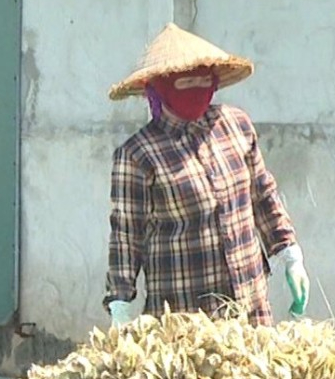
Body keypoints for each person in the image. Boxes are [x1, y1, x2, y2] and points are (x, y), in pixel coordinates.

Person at [103, 23, 310, 328]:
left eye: (203, 77)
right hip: (185, 318)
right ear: (158, 86)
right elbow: (126, 236)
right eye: (184, 81)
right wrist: (120, 302)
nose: (196, 86)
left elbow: (263, 195)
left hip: (249, 305)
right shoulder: (138, 154)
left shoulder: (236, 126)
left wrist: (289, 253)